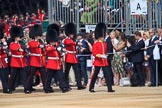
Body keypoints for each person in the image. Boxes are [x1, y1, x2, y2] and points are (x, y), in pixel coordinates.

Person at [89, 22, 115, 93]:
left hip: (104, 61)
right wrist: (101, 56)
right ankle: (91, 87)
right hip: (98, 61)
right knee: (95, 75)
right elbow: (94, 53)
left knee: (107, 75)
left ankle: (109, 88)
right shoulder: (96, 44)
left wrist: (105, 55)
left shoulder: (105, 44)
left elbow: (105, 51)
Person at [45, 24, 69, 93]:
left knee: (60, 76)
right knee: (49, 77)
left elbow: (59, 52)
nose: (54, 42)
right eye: (53, 41)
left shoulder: (57, 46)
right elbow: (50, 49)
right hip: (51, 63)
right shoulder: (48, 46)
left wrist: (62, 51)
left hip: (57, 63)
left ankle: (63, 87)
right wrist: (57, 48)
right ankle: (47, 88)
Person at [63, 23, 86, 90]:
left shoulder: (73, 40)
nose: (72, 35)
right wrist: (76, 43)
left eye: (73, 34)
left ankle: (79, 85)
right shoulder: (66, 40)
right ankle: (66, 85)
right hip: (69, 57)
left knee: (77, 72)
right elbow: (69, 43)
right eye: (71, 34)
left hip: (74, 57)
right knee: (66, 72)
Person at [25, 24, 46, 93]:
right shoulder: (31, 42)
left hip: (40, 61)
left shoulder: (40, 41)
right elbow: (35, 46)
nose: (38, 36)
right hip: (34, 61)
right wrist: (40, 44)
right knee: (31, 76)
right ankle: (27, 88)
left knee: (43, 75)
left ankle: (46, 88)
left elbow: (43, 49)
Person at [7, 26, 28, 94]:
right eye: (18, 37)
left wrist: (26, 52)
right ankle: (9, 88)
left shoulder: (21, 44)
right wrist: (19, 49)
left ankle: (26, 88)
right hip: (15, 62)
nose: (20, 38)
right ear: (15, 37)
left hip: (22, 61)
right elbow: (13, 48)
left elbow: (24, 51)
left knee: (23, 76)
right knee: (13, 76)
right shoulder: (12, 44)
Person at [0, 27, 9, 93]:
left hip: (3, 62)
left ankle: (5, 88)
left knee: (4, 76)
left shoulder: (4, 43)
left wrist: (4, 44)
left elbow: (6, 50)